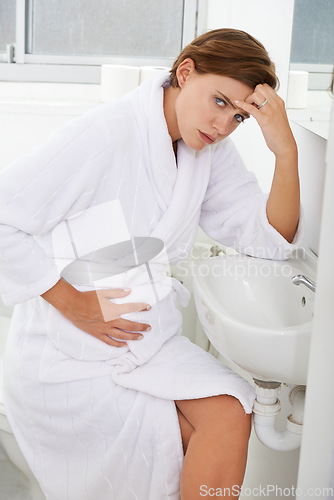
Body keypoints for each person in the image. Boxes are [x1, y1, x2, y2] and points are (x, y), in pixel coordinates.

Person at [0, 28, 303, 499]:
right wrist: (71, 302)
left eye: (239, 117)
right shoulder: (104, 134)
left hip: (143, 341)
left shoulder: (206, 149)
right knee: (208, 432)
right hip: (68, 354)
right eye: (220, 101)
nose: (224, 126)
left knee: (232, 411)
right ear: (185, 72)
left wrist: (286, 150)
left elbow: (268, 237)